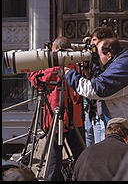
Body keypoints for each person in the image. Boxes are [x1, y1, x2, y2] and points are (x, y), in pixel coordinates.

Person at [27, 36, 85, 181]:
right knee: (80, 156)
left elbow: (37, 81)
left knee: (54, 160)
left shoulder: (53, 65)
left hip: (55, 117)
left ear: (57, 49)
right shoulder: (76, 62)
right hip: (73, 118)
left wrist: (33, 67)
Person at [64, 37, 128, 123]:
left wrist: (68, 73)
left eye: (98, 56)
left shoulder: (122, 67)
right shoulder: (122, 61)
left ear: (109, 55)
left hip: (124, 127)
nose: (97, 59)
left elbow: (94, 89)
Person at [82, 27, 116, 146]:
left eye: (94, 40)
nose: (92, 44)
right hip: (91, 108)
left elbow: (100, 82)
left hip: (102, 110)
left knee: (99, 143)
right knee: (89, 142)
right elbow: (88, 78)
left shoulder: (108, 60)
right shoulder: (93, 58)